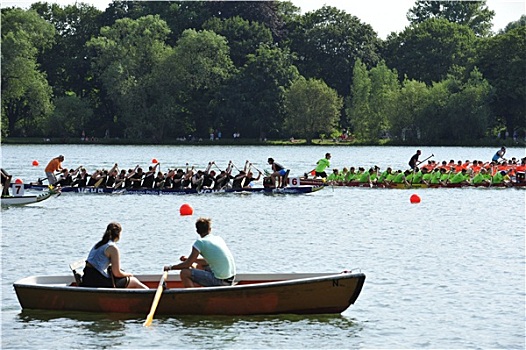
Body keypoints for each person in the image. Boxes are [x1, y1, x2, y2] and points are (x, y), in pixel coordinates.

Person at [164, 217, 236, 288]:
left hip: (220, 281)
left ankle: (194, 297)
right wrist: (190, 259)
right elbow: (207, 261)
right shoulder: (218, 239)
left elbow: (187, 264)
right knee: (199, 265)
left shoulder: (200, 243)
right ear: (210, 229)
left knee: (184, 273)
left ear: (197, 231)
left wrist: (170, 267)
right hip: (231, 279)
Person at [81, 222, 148, 289]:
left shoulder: (99, 244)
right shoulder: (112, 248)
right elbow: (117, 273)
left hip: (87, 278)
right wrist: (129, 274)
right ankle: (150, 294)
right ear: (118, 234)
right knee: (133, 281)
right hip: (97, 281)